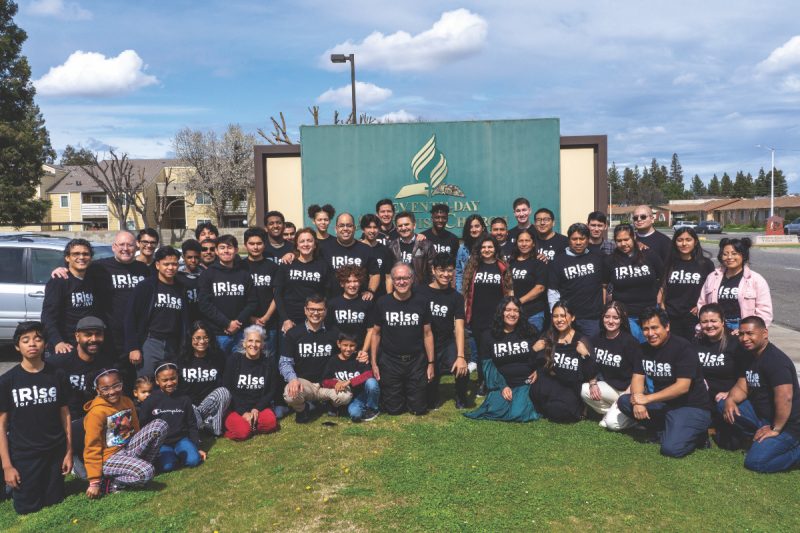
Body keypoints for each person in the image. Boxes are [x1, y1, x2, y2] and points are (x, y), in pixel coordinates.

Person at [53, 231, 151, 388]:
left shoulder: (143, 269)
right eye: (121, 244)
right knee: (112, 379)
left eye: (130, 245)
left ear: (136, 247)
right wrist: (61, 269)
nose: (126, 248)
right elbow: (78, 266)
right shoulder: (100, 267)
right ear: (114, 247)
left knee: (137, 381)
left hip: (138, 337)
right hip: (109, 339)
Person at [617, 308, 712, 458]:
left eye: (655, 327)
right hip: (664, 404)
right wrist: (637, 401)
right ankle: (666, 430)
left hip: (690, 406)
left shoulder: (683, 348)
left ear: (667, 327)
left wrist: (647, 399)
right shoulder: (643, 349)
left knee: (671, 449)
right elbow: (637, 377)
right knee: (624, 401)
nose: (650, 333)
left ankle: (699, 436)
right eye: (646, 329)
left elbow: (682, 387)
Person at [0, 321, 71, 514]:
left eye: (37, 339)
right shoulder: (7, 381)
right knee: (27, 508)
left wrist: (68, 451)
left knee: (54, 501)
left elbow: (65, 414)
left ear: (45, 344)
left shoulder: (57, 374)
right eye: (25, 340)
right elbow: (2, 425)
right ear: (17, 346)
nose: (32, 343)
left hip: (54, 451)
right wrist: (7, 466)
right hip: (24, 454)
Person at [720, 316, 800, 473]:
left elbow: (785, 398)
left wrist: (775, 429)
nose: (744, 338)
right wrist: (730, 399)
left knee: (756, 462)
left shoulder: (776, 361)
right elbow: (742, 387)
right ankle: (759, 438)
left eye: (750, 333)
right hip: (762, 416)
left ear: (765, 333)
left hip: (787, 424)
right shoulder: (749, 355)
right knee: (723, 404)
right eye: (741, 334)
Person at [83, 368, 168, 497]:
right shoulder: (96, 413)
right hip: (109, 458)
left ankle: (139, 465)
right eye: (105, 389)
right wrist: (94, 481)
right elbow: (92, 447)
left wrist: (141, 447)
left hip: (127, 448)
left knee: (160, 425)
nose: (112, 392)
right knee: (147, 472)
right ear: (98, 390)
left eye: (116, 386)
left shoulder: (127, 401)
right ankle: (111, 482)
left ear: (122, 384)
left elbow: (136, 429)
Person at [370, 263, 435, 416]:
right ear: (392, 281)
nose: (402, 282)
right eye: (398, 278)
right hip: (390, 360)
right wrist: (374, 363)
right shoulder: (382, 302)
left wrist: (431, 363)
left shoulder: (422, 301)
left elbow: (428, 333)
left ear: (412, 279)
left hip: (416, 360)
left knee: (419, 409)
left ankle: (412, 394)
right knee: (394, 410)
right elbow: (375, 334)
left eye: (406, 278)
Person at [464, 298, 539, 422]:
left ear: (520, 313)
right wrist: (502, 386)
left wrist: (537, 369)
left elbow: (540, 354)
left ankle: (526, 401)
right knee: (494, 410)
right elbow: (488, 365)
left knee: (517, 414)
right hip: (501, 383)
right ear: (501, 312)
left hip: (525, 383)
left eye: (516, 310)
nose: (512, 314)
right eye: (508, 310)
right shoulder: (489, 335)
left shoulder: (530, 332)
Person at [48, 316, 105, 474]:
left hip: (93, 419)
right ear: (77, 336)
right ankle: (72, 454)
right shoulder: (59, 362)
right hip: (65, 422)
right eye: (88, 335)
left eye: (98, 334)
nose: (93, 339)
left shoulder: (105, 362)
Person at [281, 296, 347, 423]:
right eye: (312, 309)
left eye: (320, 310)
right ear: (305, 310)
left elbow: (345, 355)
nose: (315, 313)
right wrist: (292, 379)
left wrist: (361, 355)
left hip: (328, 382)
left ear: (325, 311)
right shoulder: (293, 333)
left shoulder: (334, 333)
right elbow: (285, 362)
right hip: (304, 383)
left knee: (345, 396)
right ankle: (302, 409)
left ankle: (331, 405)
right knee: (290, 394)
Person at [125, 246, 188, 378]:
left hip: (172, 344)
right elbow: (130, 317)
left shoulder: (181, 288)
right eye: (166, 264)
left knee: (170, 382)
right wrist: (133, 347)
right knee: (147, 381)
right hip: (150, 342)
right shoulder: (146, 286)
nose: (170, 268)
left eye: (174, 264)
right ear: (158, 265)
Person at [530, 301, 597, 422]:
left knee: (559, 411)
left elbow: (591, 371)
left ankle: (581, 408)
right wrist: (534, 350)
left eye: (563, 315)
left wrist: (585, 355)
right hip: (550, 384)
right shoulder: (548, 336)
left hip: (569, 386)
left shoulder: (581, 340)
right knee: (535, 394)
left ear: (573, 317)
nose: (559, 320)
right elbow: (533, 362)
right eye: (555, 316)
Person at [462, 235, 513, 395]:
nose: (487, 250)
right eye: (483, 247)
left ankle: (500, 382)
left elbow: (509, 291)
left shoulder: (502, 266)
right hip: (477, 318)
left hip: (497, 318)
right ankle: (483, 381)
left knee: (497, 351)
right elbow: (466, 293)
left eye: (490, 247)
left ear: (495, 249)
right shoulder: (473, 267)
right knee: (481, 352)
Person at [419, 253, 469, 409]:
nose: (446, 274)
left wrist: (461, 356)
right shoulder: (420, 292)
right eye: (442, 270)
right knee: (429, 399)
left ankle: (460, 397)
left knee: (462, 369)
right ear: (433, 270)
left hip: (446, 342)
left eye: (450, 270)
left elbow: (459, 327)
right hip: (425, 344)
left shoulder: (456, 297)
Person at [694, 304, 748, 449]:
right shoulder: (696, 342)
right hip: (703, 398)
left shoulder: (735, 343)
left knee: (730, 444)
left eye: (713, 321)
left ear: (722, 321)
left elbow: (745, 376)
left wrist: (730, 393)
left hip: (726, 397)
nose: (709, 325)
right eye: (704, 322)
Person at [581, 301, 639, 430]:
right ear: (602, 318)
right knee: (584, 390)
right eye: (607, 317)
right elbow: (590, 361)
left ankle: (635, 420)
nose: (611, 321)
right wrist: (593, 383)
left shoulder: (630, 342)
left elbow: (638, 373)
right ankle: (612, 412)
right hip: (611, 387)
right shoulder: (597, 338)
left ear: (621, 320)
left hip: (629, 390)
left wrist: (625, 396)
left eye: (615, 318)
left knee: (611, 424)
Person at [198, 235, 258, 357]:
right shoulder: (208, 274)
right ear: (216, 251)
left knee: (240, 366)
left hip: (241, 332)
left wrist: (237, 322)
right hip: (217, 333)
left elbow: (252, 302)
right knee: (218, 365)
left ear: (236, 250)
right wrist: (226, 323)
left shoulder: (244, 274)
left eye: (229, 247)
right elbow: (204, 304)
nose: (226, 251)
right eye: (222, 248)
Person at [603, 224, 664, 342]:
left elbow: (663, 278)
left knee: (651, 343)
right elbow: (604, 286)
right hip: (625, 314)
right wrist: (606, 307)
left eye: (626, 239)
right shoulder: (610, 260)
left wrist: (660, 300)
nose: (623, 244)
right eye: (619, 241)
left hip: (650, 312)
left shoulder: (649, 255)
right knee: (636, 343)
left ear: (634, 237)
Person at [697, 237, 772, 332]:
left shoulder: (755, 279)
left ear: (743, 255)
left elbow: (764, 311)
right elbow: (702, 303)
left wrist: (749, 330)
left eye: (734, 253)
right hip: (716, 327)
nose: (729, 257)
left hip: (744, 328)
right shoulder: (712, 277)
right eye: (725, 254)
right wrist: (705, 325)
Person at [140, 363, 204, 472]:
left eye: (173, 378)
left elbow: (192, 424)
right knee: (168, 466)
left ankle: (183, 451)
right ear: (157, 381)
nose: (169, 383)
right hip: (162, 443)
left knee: (194, 460)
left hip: (181, 439)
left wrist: (197, 447)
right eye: (165, 380)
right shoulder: (150, 401)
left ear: (177, 377)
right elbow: (143, 427)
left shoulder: (184, 398)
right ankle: (172, 457)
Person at [548, 223, 605, 338]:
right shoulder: (558, 261)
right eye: (574, 239)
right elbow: (553, 291)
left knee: (591, 348)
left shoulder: (598, 257)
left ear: (587, 239)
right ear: (569, 240)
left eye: (582, 239)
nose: (578, 242)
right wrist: (557, 315)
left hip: (592, 318)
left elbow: (604, 285)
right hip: (568, 317)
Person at [223, 326, 280, 440]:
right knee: (242, 433)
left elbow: (271, 390)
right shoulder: (234, 360)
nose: (253, 345)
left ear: (262, 345)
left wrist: (257, 408)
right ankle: (243, 427)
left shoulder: (269, 363)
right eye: (250, 340)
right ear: (244, 343)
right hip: (236, 408)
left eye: (257, 341)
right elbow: (228, 388)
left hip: (259, 408)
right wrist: (243, 412)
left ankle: (250, 425)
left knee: (271, 423)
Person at [42, 238, 97, 354]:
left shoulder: (93, 278)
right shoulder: (59, 281)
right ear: (67, 258)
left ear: (91, 258)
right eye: (76, 254)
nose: (81, 257)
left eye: (85, 254)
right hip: (67, 345)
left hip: (89, 343)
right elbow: (48, 317)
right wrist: (58, 342)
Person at [274, 227, 332, 334]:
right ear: (297, 245)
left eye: (309, 241)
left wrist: (322, 317)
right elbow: (277, 294)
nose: (306, 244)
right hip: (290, 320)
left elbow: (327, 294)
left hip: (315, 319)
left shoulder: (323, 266)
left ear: (315, 244)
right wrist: (285, 319)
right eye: (302, 241)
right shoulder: (287, 264)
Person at [178, 321, 231, 436]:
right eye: (197, 338)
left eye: (205, 337)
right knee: (188, 407)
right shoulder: (181, 358)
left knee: (224, 392)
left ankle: (207, 425)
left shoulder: (218, 356)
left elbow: (225, 380)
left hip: (210, 405)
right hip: (189, 405)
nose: (202, 341)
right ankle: (204, 424)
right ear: (190, 338)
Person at [662, 227, 715, 340]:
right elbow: (662, 288)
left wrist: (701, 306)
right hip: (671, 316)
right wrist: (663, 309)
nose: (684, 244)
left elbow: (712, 290)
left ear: (695, 242)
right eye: (680, 240)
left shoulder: (706, 264)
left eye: (688, 240)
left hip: (694, 317)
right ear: (675, 242)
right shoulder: (669, 263)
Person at [321, 332, 380, 422]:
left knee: (371, 383)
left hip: (359, 396)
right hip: (345, 394)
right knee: (355, 414)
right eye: (345, 345)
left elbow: (368, 374)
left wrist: (349, 381)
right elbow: (324, 381)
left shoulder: (359, 358)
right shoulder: (333, 360)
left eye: (352, 346)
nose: (348, 349)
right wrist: (335, 383)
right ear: (339, 344)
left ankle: (372, 408)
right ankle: (339, 407)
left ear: (356, 346)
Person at [324, 212, 380, 298]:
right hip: (332, 301)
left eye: (349, 225)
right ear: (336, 229)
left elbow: (375, 274)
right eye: (341, 225)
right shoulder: (325, 249)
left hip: (359, 301)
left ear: (354, 228)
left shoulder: (366, 250)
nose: (345, 228)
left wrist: (370, 291)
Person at [244, 227, 279, 355]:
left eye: (259, 243)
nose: (255, 247)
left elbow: (277, 295)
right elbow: (237, 298)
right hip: (245, 322)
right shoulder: (240, 267)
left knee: (268, 358)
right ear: (245, 245)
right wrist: (250, 318)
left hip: (269, 323)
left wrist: (266, 317)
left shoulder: (273, 267)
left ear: (265, 244)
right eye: (251, 243)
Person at [326, 265, 374, 358]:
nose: (352, 285)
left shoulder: (367, 303)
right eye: (348, 282)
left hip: (360, 352)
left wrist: (364, 351)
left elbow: (370, 330)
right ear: (342, 284)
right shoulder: (333, 304)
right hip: (338, 352)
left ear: (360, 282)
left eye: (355, 281)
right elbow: (329, 328)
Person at [509, 228, 548, 333]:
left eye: (527, 241)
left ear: (533, 243)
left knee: (532, 342)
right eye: (521, 241)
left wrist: (519, 301)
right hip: (513, 313)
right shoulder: (511, 262)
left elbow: (540, 288)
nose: (524, 244)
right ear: (516, 243)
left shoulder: (539, 262)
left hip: (533, 314)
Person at [388, 211, 436, 287]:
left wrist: (432, 290)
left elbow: (433, 271)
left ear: (414, 225)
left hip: (420, 289)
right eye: (400, 226)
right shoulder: (391, 246)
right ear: (396, 228)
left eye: (406, 224)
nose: (403, 228)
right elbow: (388, 274)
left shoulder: (426, 245)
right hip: (399, 289)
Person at [361, 213, 394, 298]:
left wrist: (389, 298)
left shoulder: (385, 250)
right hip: (360, 296)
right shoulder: (357, 248)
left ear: (379, 229)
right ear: (363, 229)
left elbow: (388, 277)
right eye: (369, 227)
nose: (372, 231)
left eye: (375, 227)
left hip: (380, 296)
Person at [455, 214, 487, 292]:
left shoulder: (488, 247)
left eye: (477, 226)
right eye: (470, 227)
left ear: (483, 228)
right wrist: (460, 291)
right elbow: (459, 273)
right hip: (467, 291)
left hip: (485, 287)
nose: (473, 229)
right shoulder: (462, 249)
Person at [178, 239, 203, 321]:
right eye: (189, 257)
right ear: (183, 257)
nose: (193, 261)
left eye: (196, 257)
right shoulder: (176, 276)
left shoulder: (205, 275)